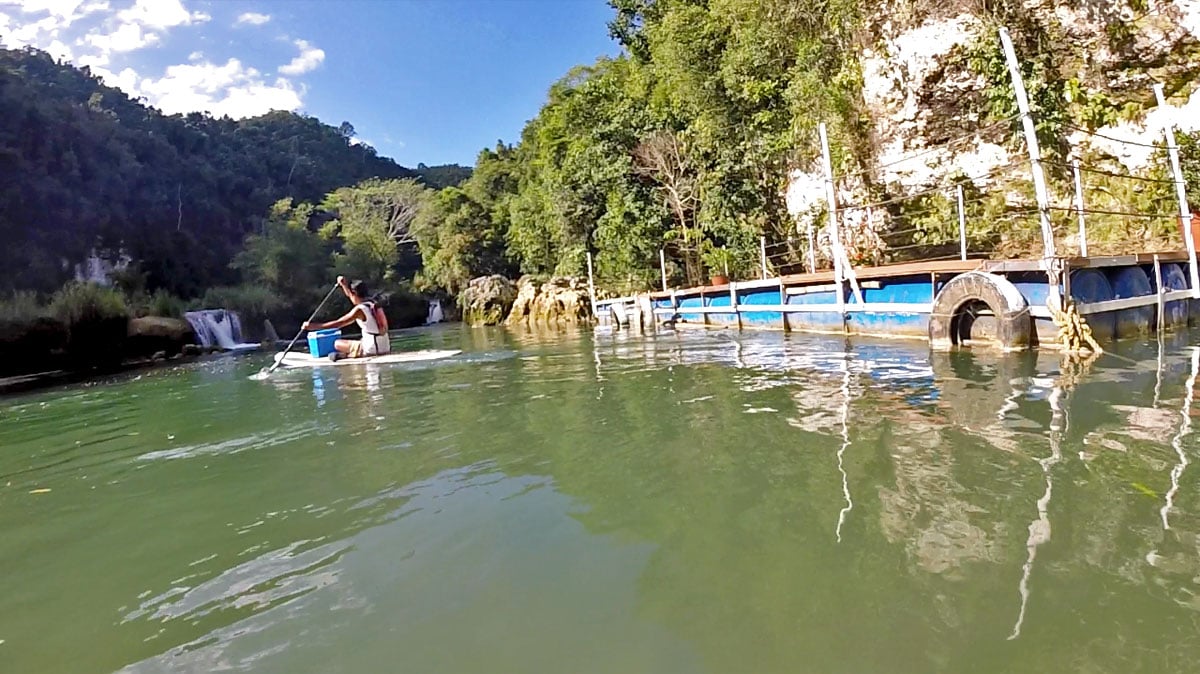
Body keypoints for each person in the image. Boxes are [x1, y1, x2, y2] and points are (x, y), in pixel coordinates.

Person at [302, 276, 390, 361]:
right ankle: (348, 354)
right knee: (360, 340)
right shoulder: (373, 303)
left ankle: (346, 355)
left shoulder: (359, 310)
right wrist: (344, 285)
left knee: (337, 344)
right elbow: (350, 295)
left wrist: (313, 327)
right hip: (385, 348)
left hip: (372, 350)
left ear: (354, 293)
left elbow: (338, 323)